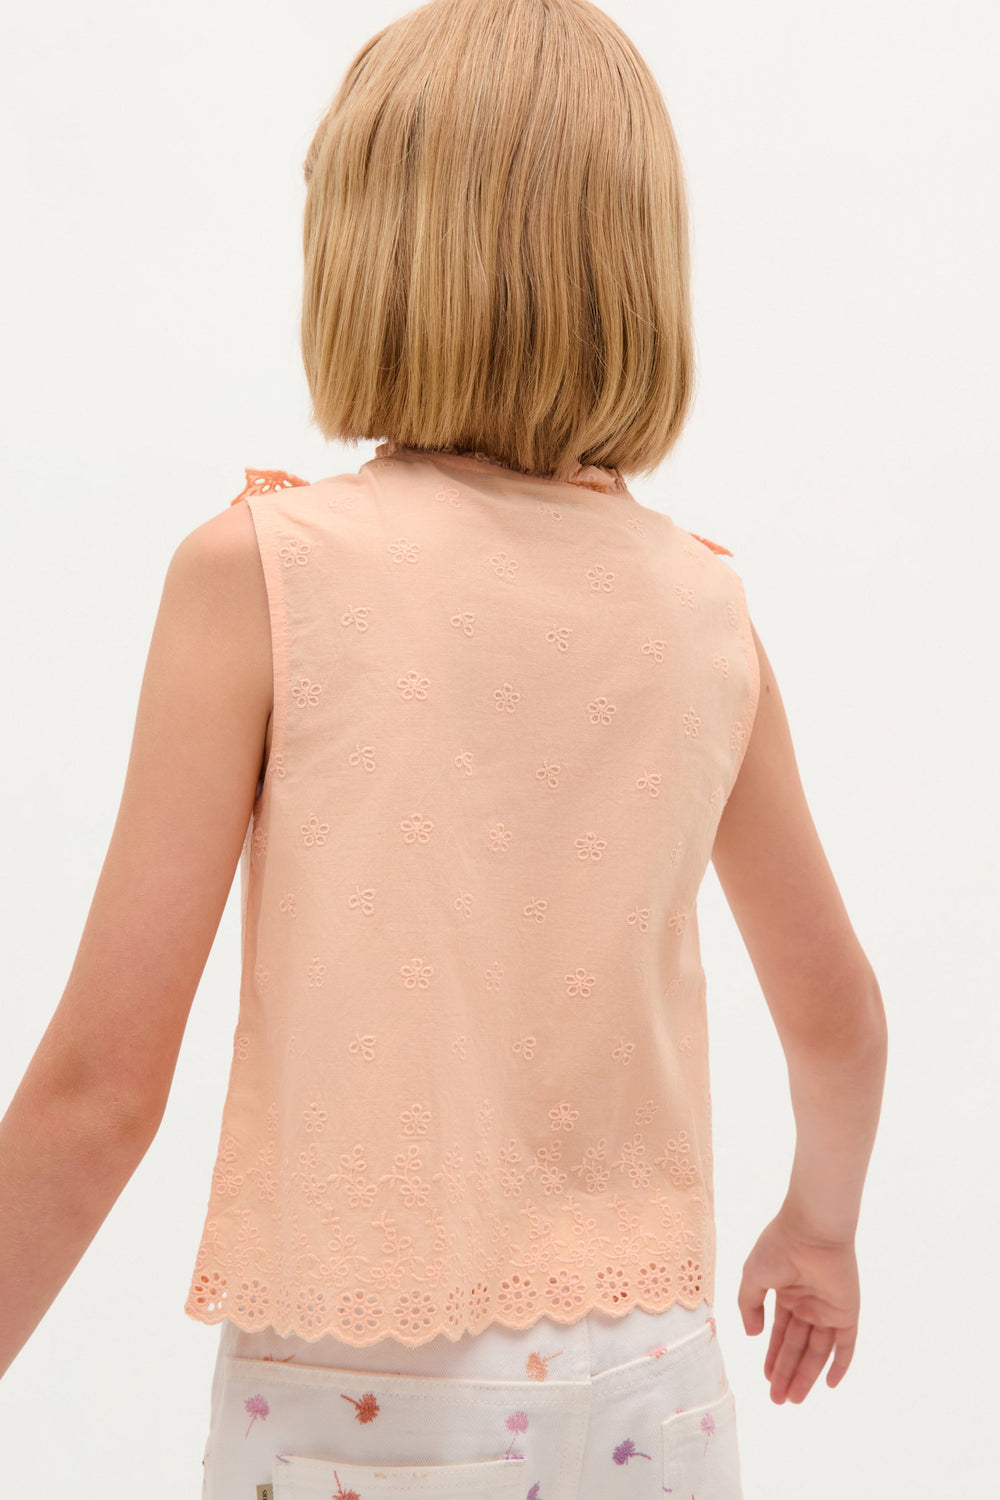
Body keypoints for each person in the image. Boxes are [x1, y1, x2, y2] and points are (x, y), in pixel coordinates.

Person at [0, 1, 887, 1496]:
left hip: (370, 1396)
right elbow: (840, 1016)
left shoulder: (263, 574)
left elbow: (100, 1094)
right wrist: (821, 1228)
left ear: (366, 255)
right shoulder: (702, 607)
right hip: (656, 1385)